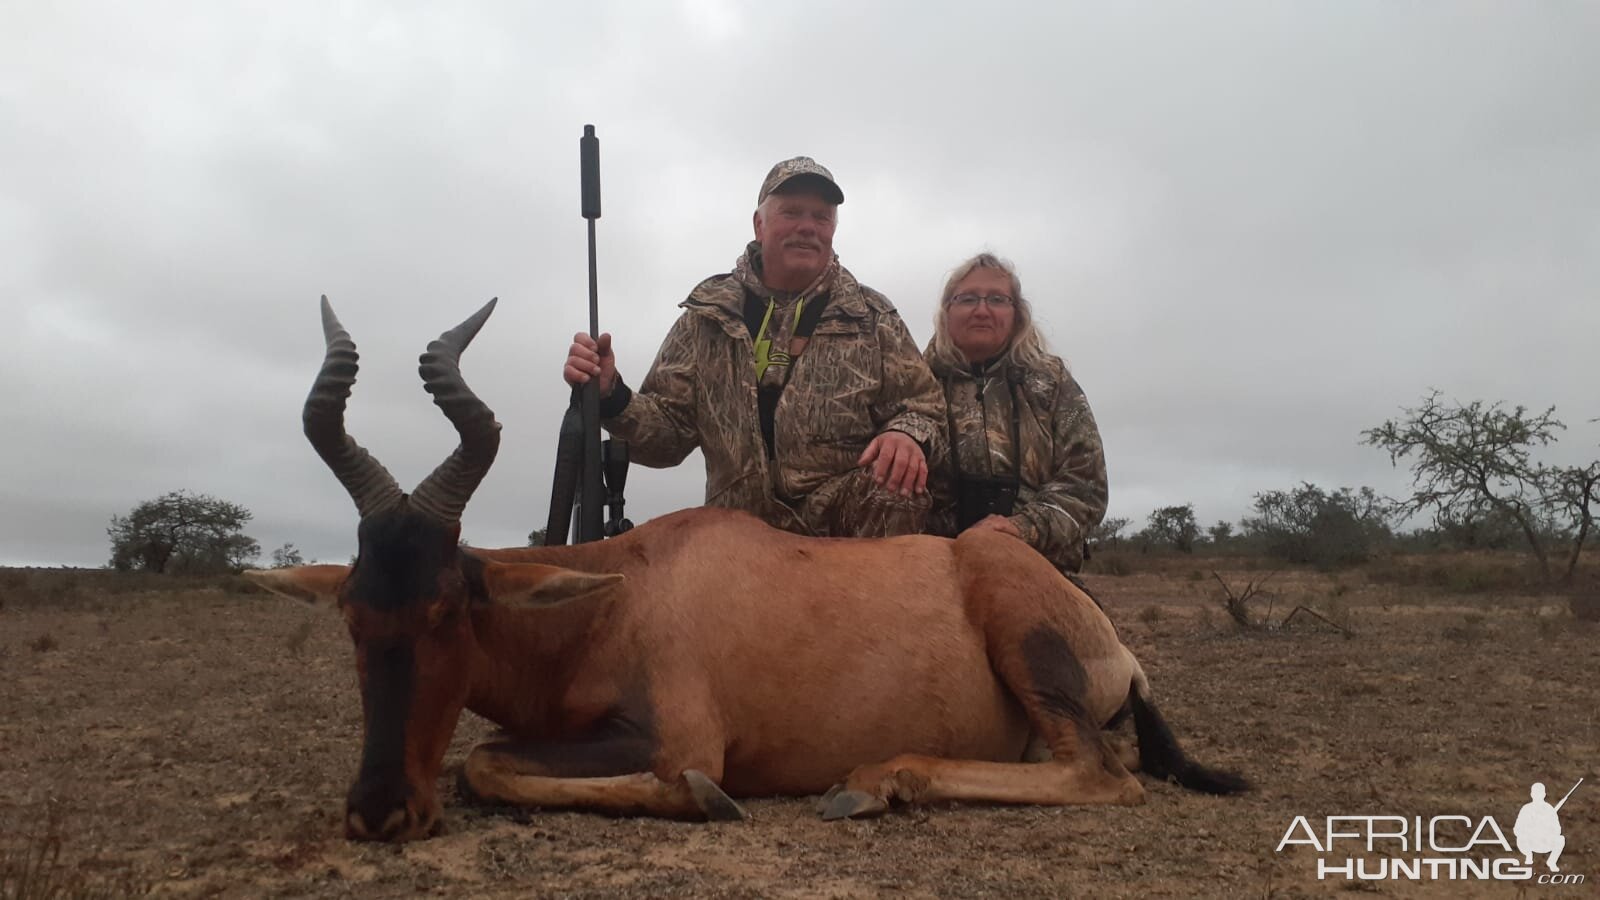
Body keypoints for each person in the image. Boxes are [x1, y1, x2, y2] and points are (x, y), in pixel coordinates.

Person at [563, 156, 945, 537]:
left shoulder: (874, 316)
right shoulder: (707, 317)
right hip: (738, 532)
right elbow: (667, 439)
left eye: (821, 217)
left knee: (898, 488)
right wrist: (611, 396)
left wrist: (906, 435)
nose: (807, 227)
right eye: (792, 213)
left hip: (842, 531)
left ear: (833, 229)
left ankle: (872, 597)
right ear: (759, 225)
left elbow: (924, 406)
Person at [924, 252, 1108, 573]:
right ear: (947, 311)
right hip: (936, 567)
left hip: (1040, 565)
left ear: (1017, 314)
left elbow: (1086, 485)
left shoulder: (1052, 382)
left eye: (997, 299)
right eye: (967, 299)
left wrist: (1022, 528)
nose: (982, 310)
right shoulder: (916, 381)